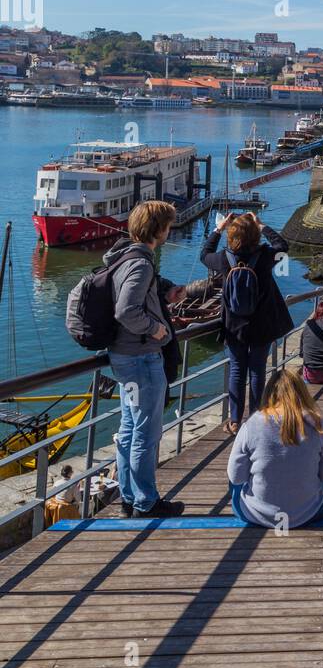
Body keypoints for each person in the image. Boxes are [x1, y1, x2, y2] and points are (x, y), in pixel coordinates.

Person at [104, 200, 186, 518]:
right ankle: (146, 501)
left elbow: (132, 299)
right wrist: (158, 331)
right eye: (168, 226)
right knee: (146, 432)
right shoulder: (140, 263)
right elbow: (125, 310)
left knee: (129, 428)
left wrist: (163, 295)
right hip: (141, 358)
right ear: (159, 230)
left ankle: (129, 496)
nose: (170, 231)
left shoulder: (124, 256)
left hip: (124, 357)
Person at [201, 211, 295, 436]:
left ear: (232, 235)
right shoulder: (265, 256)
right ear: (255, 235)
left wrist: (218, 229)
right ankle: (255, 418)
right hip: (262, 323)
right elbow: (282, 246)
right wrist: (262, 225)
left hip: (234, 325)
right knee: (257, 371)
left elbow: (204, 255)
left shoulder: (224, 258)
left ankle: (234, 420)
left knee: (236, 371)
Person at [227, 368, 323, 529]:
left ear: (268, 394)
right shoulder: (317, 424)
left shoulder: (251, 424)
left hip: (255, 514)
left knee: (234, 482)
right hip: (308, 514)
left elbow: (236, 477)